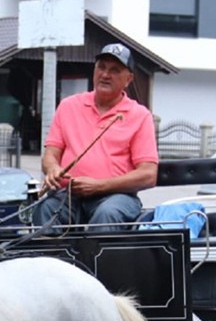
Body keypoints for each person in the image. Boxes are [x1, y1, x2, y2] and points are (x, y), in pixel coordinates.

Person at [34, 43, 158, 229]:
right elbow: (50, 155)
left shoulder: (140, 115)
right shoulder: (68, 106)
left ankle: (95, 259)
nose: (105, 75)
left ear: (128, 79)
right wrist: (52, 169)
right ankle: (51, 257)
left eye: (115, 70)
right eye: (101, 67)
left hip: (117, 196)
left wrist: (100, 185)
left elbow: (148, 175)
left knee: (107, 213)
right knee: (44, 208)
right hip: (69, 195)